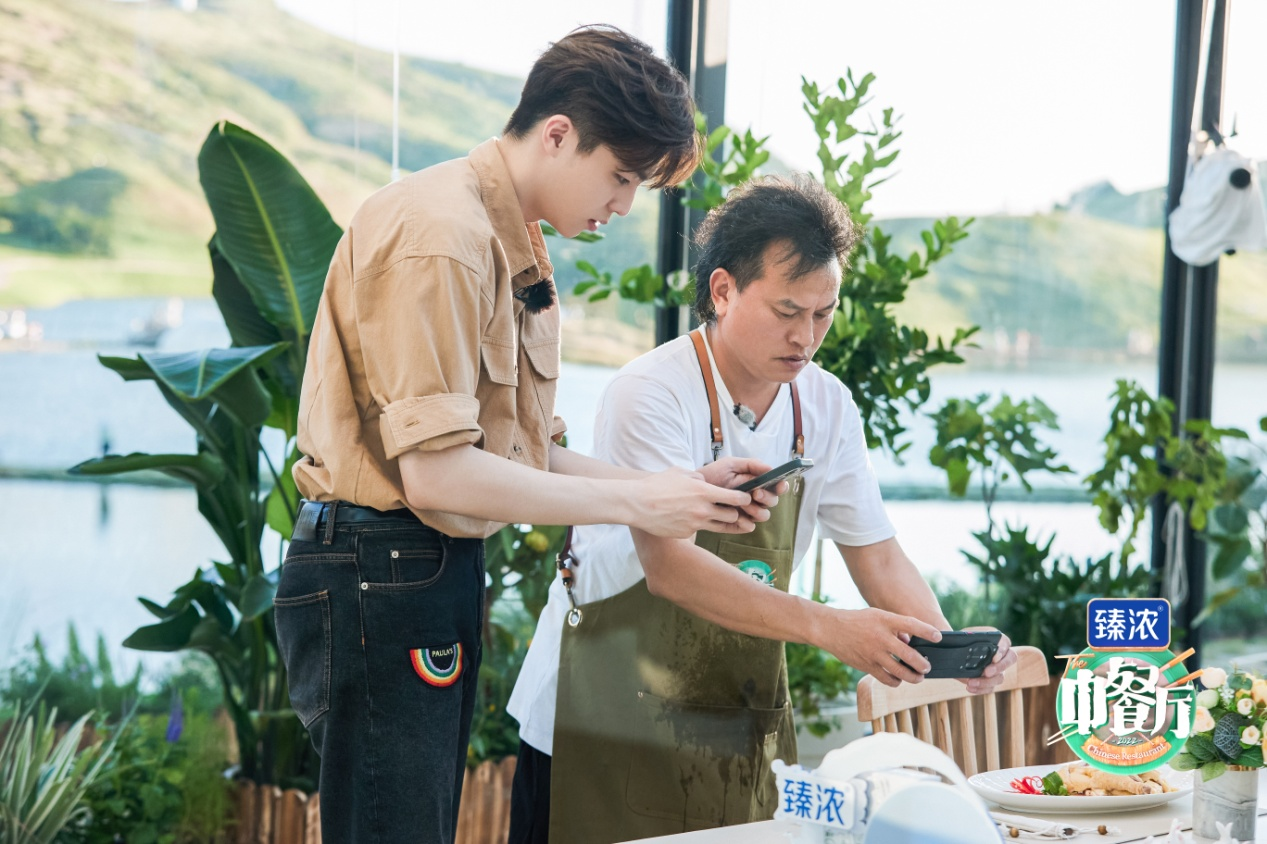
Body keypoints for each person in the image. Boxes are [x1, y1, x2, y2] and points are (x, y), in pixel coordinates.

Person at [274, 26, 772, 844]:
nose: (622, 205)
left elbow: (522, 455)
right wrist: (640, 504)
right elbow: (436, 475)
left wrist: (677, 488)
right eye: (620, 177)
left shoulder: (508, 241)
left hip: (415, 569)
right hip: (378, 566)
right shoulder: (443, 235)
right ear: (557, 134)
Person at [506, 175, 1017, 844]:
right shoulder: (650, 391)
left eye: (823, 313)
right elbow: (671, 569)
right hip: (598, 721)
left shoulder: (826, 404)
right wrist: (831, 628)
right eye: (786, 311)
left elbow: (878, 555)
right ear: (722, 291)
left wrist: (945, 651)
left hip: (735, 728)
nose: (806, 337)